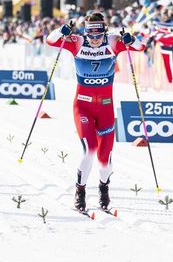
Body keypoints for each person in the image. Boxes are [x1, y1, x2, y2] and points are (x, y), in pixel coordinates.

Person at [45, 13, 146, 211]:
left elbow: (141, 47)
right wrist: (61, 31)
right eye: (91, 35)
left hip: (106, 108)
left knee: (104, 162)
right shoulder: (77, 42)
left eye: (98, 35)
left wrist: (131, 39)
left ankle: (103, 187)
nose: (94, 39)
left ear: (104, 32)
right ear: (85, 31)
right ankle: (80, 191)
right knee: (89, 150)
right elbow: (50, 41)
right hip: (82, 106)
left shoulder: (114, 42)